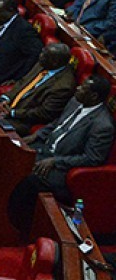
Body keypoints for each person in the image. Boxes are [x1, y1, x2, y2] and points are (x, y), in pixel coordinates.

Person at [7, 76, 115, 225]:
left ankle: (15, 222)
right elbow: (57, 123)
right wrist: (36, 135)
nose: (77, 88)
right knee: (13, 153)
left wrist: (56, 161)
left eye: (83, 88)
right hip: (45, 149)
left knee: (30, 179)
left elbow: (92, 159)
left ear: (93, 96)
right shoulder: (75, 102)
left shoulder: (103, 125)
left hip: (62, 168)